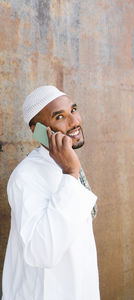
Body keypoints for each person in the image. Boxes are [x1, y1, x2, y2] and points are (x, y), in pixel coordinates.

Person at [2, 86, 100, 300]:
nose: (74, 122)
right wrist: (70, 173)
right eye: (60, 117)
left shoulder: (65, 163)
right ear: (38, 130)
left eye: (73, 110)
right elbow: (42, 251)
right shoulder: (26, 176)